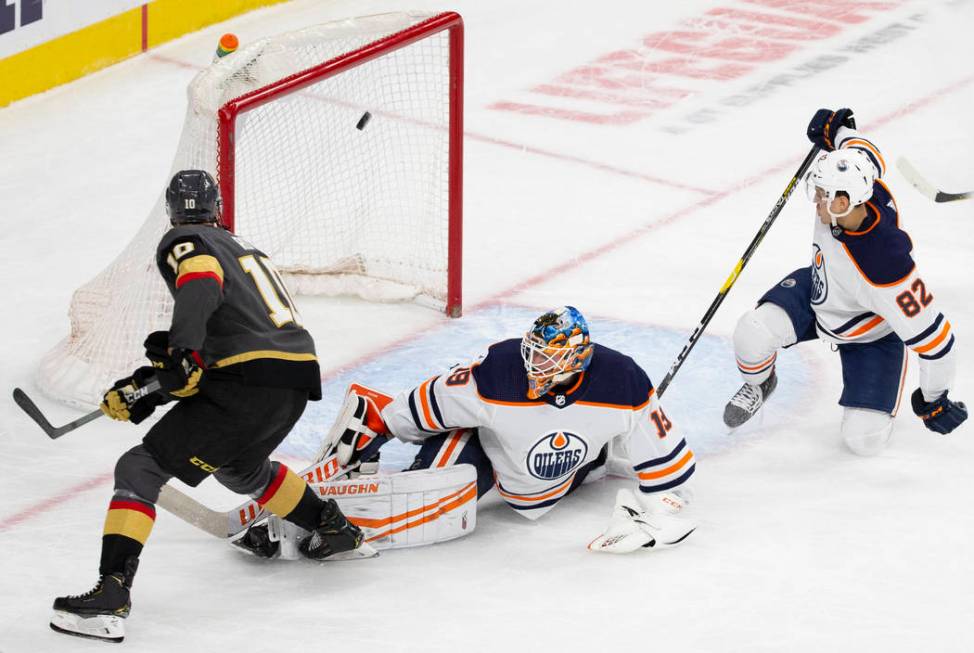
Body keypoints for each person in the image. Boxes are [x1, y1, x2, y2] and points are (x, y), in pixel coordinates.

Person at [50, 170, 365, 643]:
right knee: (241, 468)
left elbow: (200, 287)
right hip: (294, 376)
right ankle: (331, 527)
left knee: (139, 470)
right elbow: (200, 367)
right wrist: (146, 387)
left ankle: (109, 598)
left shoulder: (184, 240)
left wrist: (179, 358)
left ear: (172, 210)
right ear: (217, 205)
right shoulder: (243, 248)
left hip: (248, 380)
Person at [333, 306, 698, 554]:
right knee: (432, 497)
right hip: (491, 457)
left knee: (582, 462)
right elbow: (434, 400)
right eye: (531, 351)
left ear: (575, 358)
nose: (531, 363)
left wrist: (659, 507)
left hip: (566, 476)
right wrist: (389, 421)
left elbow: (670, 469)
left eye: (544, 356)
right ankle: (352, 512)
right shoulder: (499, 374)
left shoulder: (623, 381)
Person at [723, 108, 967, 453]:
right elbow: (864, 151)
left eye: (822, 194)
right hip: (821, 287)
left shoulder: (887, 267)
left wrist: (934, 400)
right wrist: (837, 130)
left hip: (870, 334)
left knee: (863, 441)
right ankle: (761, 385)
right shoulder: (862, 184)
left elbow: (937, 341)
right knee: (751, 333)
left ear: (843, 200)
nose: (816, 200)